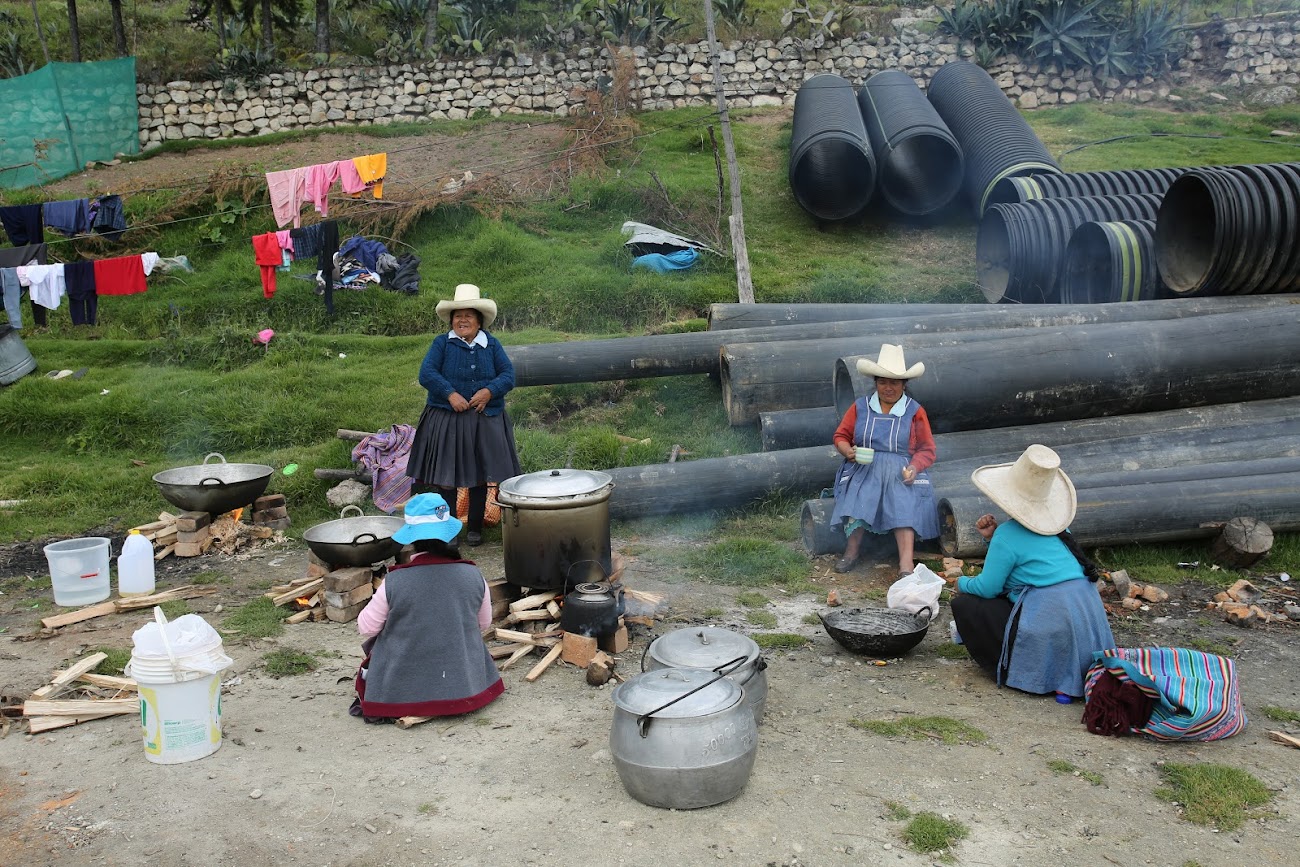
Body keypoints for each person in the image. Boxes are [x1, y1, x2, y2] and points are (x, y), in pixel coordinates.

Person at [947, 444, 1116, 700]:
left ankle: (1027, 670)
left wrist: (961, 583)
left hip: (1050, 617)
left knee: (968, 604)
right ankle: (1071, 677)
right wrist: (992, 539)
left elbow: (988, 587)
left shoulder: (1008, 534)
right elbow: (1027, 562)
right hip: (1087, 617)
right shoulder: (1060, 529)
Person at [351, 493, 504, 721]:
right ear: (448, 533)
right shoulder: (473, 574)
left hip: (401, 688)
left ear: (412, 539)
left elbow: (366, 627)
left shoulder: (394, 581)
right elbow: (483, 623)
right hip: (463, 684)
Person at [406, 283, 521, 546]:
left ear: (479, 320)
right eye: (458, 316)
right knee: (447, 478)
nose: (462, 320)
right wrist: (450, 393)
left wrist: (489, 392)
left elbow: (508, 376)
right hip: (447, 420)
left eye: (468, 315)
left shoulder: (491, 345)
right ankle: (448, 529)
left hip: (483, 420)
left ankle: (475, 529)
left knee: (480, 476)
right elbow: (427, 374)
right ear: (451, 320)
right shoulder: (442, 344)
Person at [830, 343, 939, 577]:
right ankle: (851, 553)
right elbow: (841, 435)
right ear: (875, 382)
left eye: (894, 382)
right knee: (859, 501)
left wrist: (914, 467)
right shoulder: (861, 407)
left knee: (903, 506)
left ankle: (906, 566)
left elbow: (927, 449)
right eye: (882, 382)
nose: (888, 388)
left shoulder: (914, 411)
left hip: (900, 472)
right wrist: (847, 451)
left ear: (904, 384)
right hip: (865, 468)